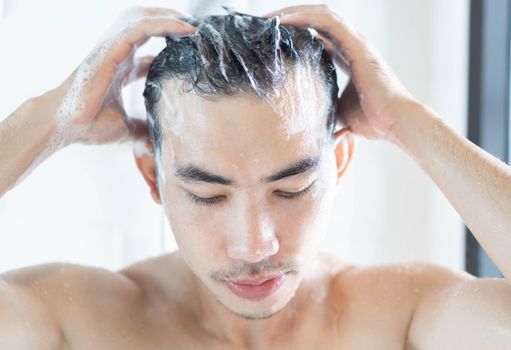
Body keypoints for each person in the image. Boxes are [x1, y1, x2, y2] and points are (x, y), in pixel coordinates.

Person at [0, 4, 510, 349]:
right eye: (208, 195)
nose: (255, 245)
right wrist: (48, 120)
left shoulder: (400, 317)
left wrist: (408, 120)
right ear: (154, 179)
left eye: (291, 188)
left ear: (341, 163)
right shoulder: (83, 321)